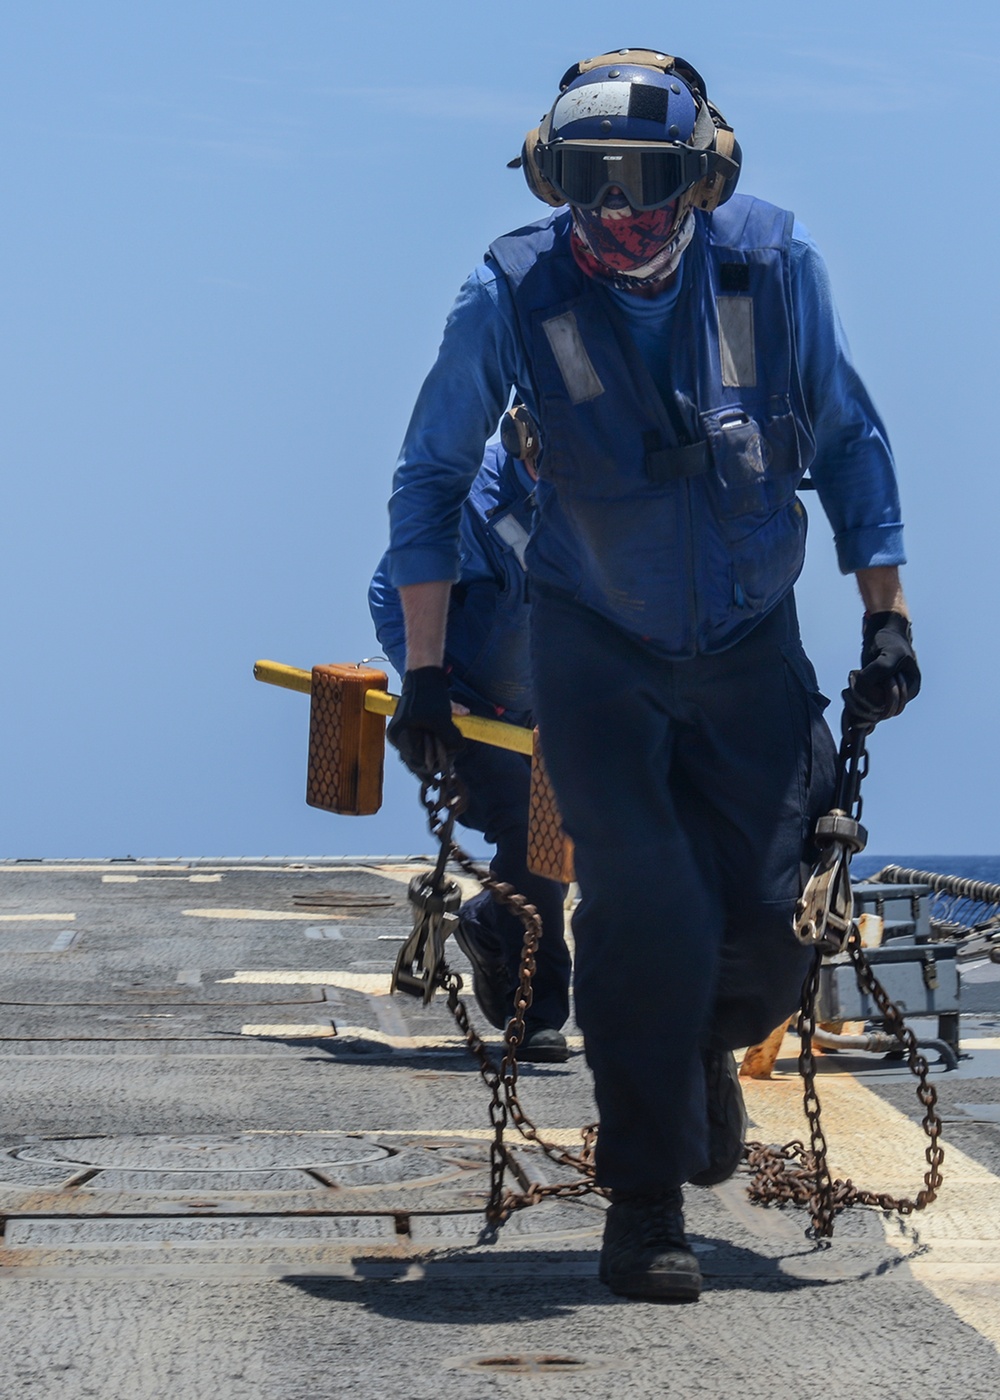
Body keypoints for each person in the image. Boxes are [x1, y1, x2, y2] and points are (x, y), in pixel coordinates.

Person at [380, 48, 920, 1301]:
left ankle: (690, 1056)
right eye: (590, 179)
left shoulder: (773, 268)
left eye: (645, 178)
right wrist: (424, 673)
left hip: (749, 645)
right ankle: (644, 1205)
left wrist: (885, 619)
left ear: (702, 178)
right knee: (644, 911)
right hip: (593, 647)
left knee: (769, 937)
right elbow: (431, 477)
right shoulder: (510, 293)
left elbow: (847, 436)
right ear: (550, 178)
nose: (618, 209)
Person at [369, 417, 572, 1062]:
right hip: (467, 712)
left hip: (548, 708)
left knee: (564, 839)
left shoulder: (609, 493)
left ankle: (488, 922)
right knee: (532, 834)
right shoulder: (468, 497)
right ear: (523, 439)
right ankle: (534, 1014)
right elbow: (388, 593)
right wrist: (426, 682)